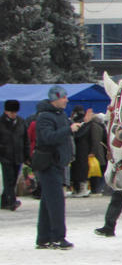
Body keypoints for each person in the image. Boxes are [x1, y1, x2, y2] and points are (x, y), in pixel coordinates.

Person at [34, 86, 90, 250]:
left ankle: (43, 238)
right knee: (57, 203)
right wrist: (68, 129)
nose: (67, 100)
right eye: (64, 97)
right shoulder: (44, 117)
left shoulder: (60, 115)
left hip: (58, 164)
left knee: (47, 203)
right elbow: (48, 137)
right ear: (55, 99)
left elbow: (71, 135)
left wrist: (83, 124)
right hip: (49, 164)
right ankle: (58, 237)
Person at [0, 99, 29, 211]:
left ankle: (4, 200)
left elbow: (25, 139)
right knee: (9, 179)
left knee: (13, 180)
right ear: (6, 111)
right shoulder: (1, 122)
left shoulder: (21, 122)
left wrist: (27, 156)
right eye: (11, 112)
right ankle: (12, 201)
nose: (13, 114)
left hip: (18, 155)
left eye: (15, 112)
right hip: (5, 156)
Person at [68, 105, 92, 197]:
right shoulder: (85, 123)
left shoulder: (82, 124)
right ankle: (79, 188)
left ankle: (81, 189)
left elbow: (78, 134)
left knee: (80, 168)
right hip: (82, 149)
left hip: (80, 149)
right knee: (78, 168)